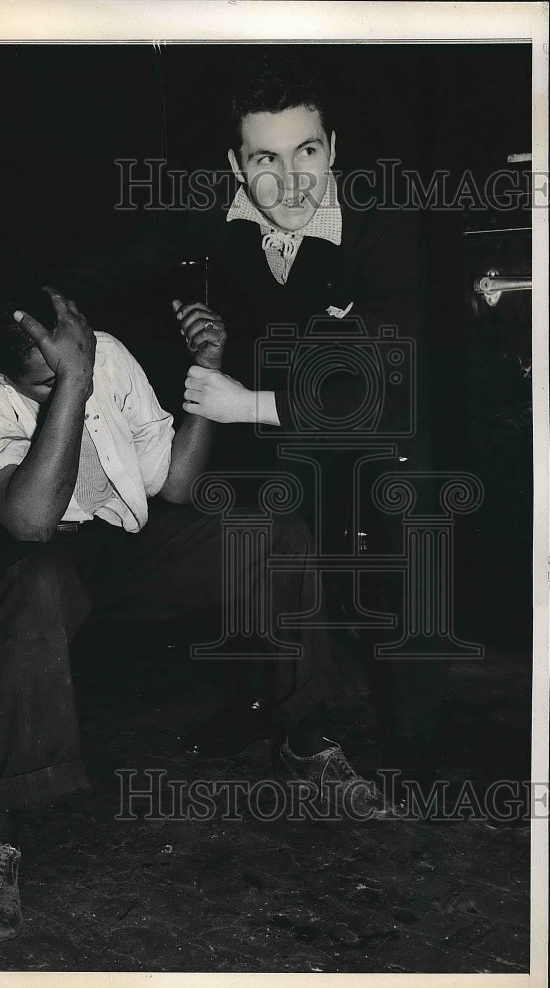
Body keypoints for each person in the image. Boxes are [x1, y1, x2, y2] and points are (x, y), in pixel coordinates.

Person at [0, 276, 394, 944]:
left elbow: (175, 482)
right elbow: (30, 522)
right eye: (41, 380)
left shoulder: (103, 350)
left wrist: (205, 372)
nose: (72, 370)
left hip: (110, 541)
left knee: (269, 536)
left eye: (76, 354)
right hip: (11, 557)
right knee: (38, 581)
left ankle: (304, 742)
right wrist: (74, 383)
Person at [176, 54, 445, 785]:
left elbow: (378, 385)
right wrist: (192, 325)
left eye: (308, 152)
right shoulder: (217, 214)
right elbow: (130, 272)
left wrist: (246, 404)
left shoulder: (383, 225)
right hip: (279, 417)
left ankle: (416, 734)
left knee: (403, 546)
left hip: (381, 413)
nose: (290, 180)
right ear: (236, 163)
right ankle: (262, 703)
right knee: (253, 538)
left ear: (334, 151)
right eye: (265, 157)